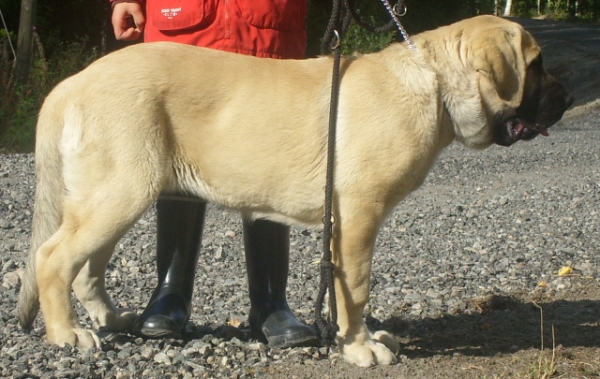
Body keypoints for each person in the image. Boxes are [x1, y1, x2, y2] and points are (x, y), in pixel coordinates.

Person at [109, 0, 317, 349]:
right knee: (176, 159)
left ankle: (270, 303)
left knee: (269, 163)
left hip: (266, 24)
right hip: (182, 22)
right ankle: (171, 293)